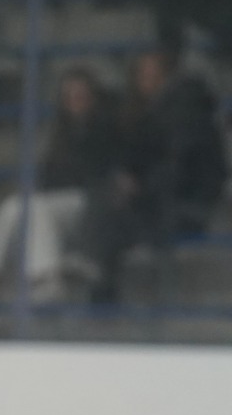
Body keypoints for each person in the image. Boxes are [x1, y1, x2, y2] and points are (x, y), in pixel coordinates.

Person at [84, 49, 228, 302]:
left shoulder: (185, 112)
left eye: (153, 75)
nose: (146, 82)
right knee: (105, 199)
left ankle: (101, 281)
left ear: (167, 76)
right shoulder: (152, 113)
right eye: (141, 75)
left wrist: (140, 188)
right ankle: (98, 275)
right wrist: (127, 178)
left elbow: (182, 169)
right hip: (160, 200)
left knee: (112, 216)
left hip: (183, 206)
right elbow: (139, 158)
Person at [0, 68, 121, 302]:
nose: (74, 102)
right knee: (14, 205)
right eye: (69, 96)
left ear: (92, 97)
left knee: (35, 206)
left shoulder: (104, 129)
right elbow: (47, 175)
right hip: (55, 204)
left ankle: (46, 277)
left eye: (80, 95)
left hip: (87, 205)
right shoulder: (61, 132)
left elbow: (95, 174)